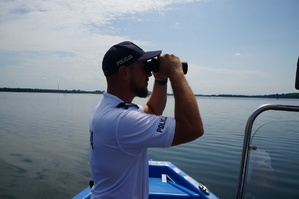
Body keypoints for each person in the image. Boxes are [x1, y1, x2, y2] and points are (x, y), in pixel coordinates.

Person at [89, 41, 204, 199]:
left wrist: (161, 79)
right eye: (144, 67)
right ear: (125, 73)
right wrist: (176, 73)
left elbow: (152, 110)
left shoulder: (108, 108)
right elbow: (192, 129)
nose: (149, 74)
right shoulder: (122, 121)